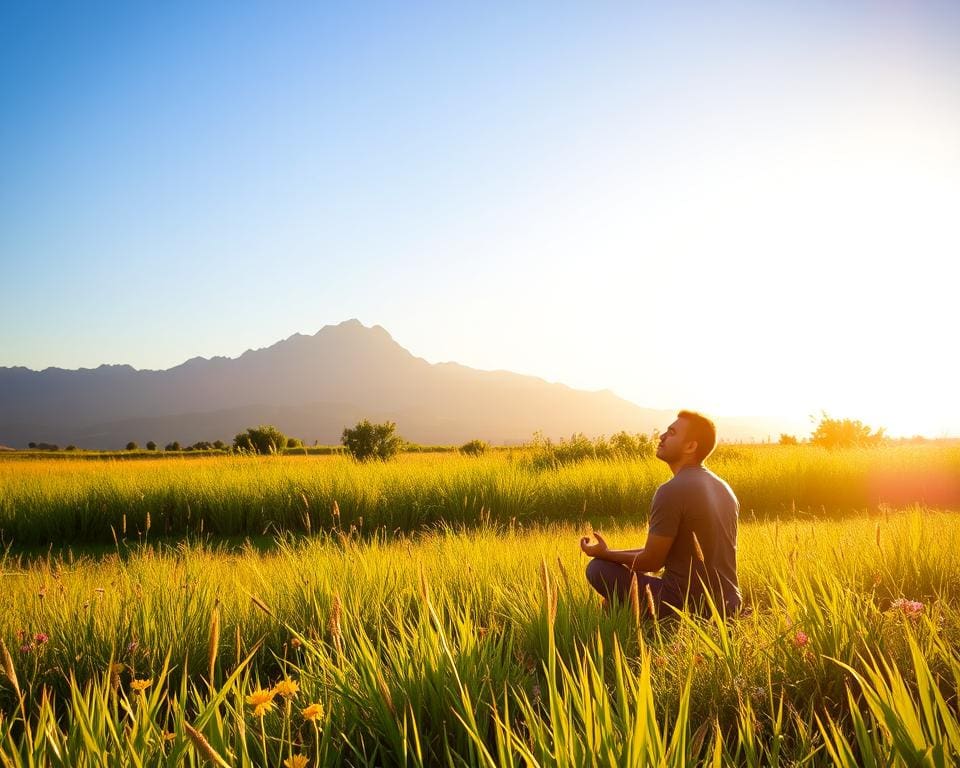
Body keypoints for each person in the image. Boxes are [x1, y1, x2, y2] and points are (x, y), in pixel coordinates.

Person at [580, 410, 742, 618]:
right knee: (621, 575)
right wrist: (609, 552)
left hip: (686, 604)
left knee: (598, 569)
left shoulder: (671, 490)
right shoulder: (724, 488)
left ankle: (628, 617)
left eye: (671, 433)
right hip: (730, 603)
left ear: (690, 446)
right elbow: (659, 554)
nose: (662, 436)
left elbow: (652, 562)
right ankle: (621, 613)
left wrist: (605, 555)